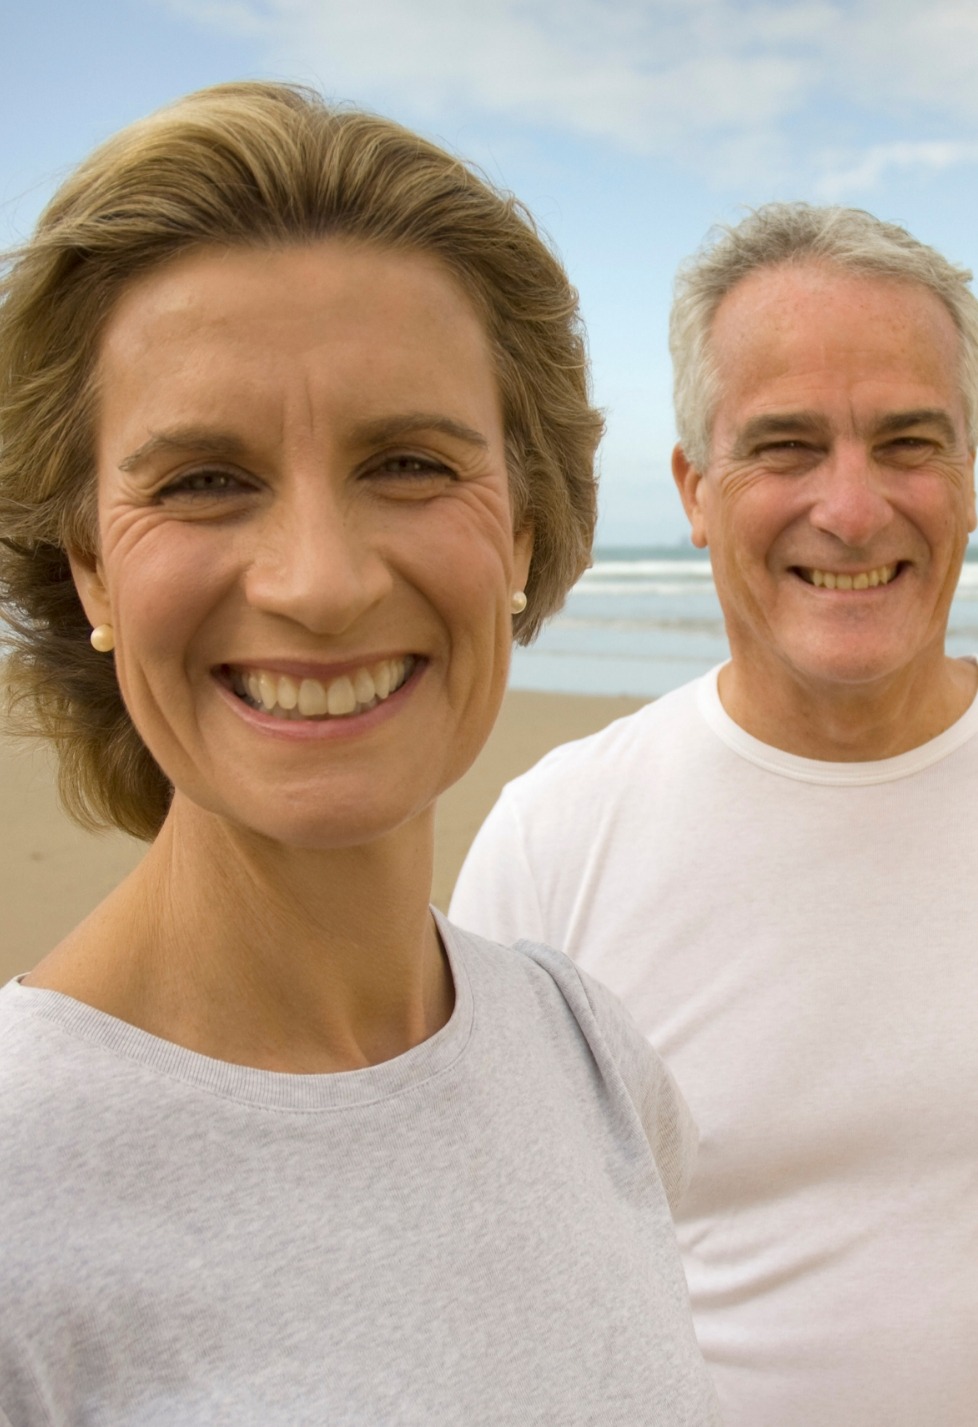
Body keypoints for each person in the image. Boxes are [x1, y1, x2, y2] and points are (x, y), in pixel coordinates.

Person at [0, 82, 722, 1424]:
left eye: (405, 460)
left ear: (519, 531)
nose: (319, 584)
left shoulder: (579, 1046)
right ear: (90, 565)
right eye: (205, 477)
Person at [451, 202, 978, 1426]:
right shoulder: (557, 837)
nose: (851, 510)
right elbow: (488, 1279)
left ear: (968, 477)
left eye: (908, 442)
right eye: (785, 446)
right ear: (694, 489)